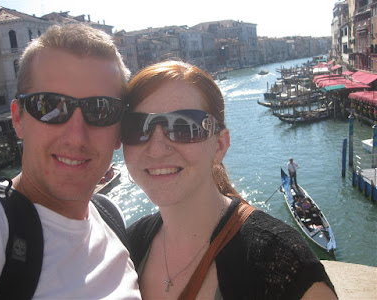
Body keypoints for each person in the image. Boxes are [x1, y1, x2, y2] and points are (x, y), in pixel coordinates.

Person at [122, 61, 337, 299]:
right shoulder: (127, 246)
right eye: (137, 127)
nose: (157, 149)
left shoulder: (280, 261)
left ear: (220, 145)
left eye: (184, 127)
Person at [0, 24, 141, 299]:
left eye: (101, 110)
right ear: (18, 119)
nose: (76, 137)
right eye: (49, 106)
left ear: (119, 132)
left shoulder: (111, 218)